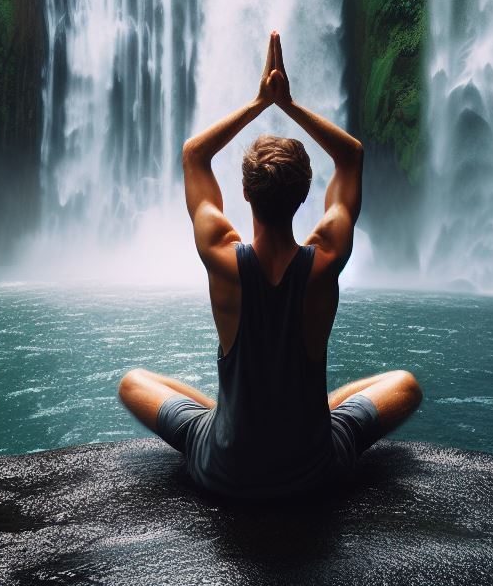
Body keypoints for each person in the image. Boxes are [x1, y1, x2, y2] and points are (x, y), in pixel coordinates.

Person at [118, 31, 423, 498]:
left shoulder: (221, 257)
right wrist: (290, 104)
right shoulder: (326, 259)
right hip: (315, 467)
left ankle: (222, 414)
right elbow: (351, 155)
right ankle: (306, 411)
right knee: (404, 385)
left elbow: (193, 155)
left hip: (225, 467)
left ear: (243, 194)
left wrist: (260, 102)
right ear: (306, 195)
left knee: (132, 383)